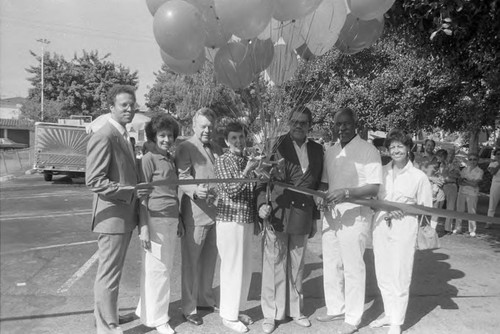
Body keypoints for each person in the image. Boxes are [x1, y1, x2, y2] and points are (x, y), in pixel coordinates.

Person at [86, 85, 153, 334]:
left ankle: (107, 316)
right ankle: (107, 327)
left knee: (113, 273)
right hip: (112, 217)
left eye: (132, 104)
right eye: (123, 105)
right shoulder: (104, 135)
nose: (129, 108)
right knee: (109, 275)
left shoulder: (124, 135)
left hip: (123, 216)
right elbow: (95, 181)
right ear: (111, 108)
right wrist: (131, 191)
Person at [256, 106, 324, 334]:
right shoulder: (274, 144)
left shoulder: (317, 150)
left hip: (303, 214)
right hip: (278, 212)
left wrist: (315, 218)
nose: (298, 125)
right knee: (273, 264)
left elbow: (314, 188)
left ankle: (296, 310)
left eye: (303, 122)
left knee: (297, 265)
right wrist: (261, 205)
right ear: (288, 121)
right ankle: (270, 314)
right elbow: (260, 181)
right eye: (294, 121)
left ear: (309, 126)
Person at [317, 107, 382, 334]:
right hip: (331, 214)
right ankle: (335, 307)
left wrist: (346, 193)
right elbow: (325, 183)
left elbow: (374, 186)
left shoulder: (368, 150)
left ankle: (353, 317)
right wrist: (321, 198)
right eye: (338, 124)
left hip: (356, 215)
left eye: (346, 123)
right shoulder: (331, 150)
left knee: (353, 266)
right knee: (331, 262)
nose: (341, 128)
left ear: (356, 124)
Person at [370, 129, 433, 334]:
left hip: (405, 227)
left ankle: (397, 321)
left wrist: (405, 211)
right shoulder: (381, 171)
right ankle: (389, 314)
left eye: (400, 146)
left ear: (408, 148)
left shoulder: (419, 176)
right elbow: (373, 201)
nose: (396, 150)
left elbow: (426, 209)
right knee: (383, 273)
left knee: (400, 273)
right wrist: (386, 207)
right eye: (392, 147)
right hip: (381, 224)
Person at [135, 114, 183, 334]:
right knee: (159, 270)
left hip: (171, 219)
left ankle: (145, 310)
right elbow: (141, 196)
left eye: (170, 135)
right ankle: (158, 319)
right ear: (153, 137)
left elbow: (173, 192)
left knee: (162, 268)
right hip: (155, 219)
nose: (166, 139)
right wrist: (143, 227)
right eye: (162, 135)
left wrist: (179, 219)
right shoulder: (148, 159)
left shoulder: (169, 159)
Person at [175, 107, 223, 326]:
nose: (207, 130)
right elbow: (182, 176)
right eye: (203, 126)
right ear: (194, 126)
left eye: (210, 126)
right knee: (191, 263)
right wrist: (195, 190)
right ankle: (189, 307)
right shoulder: (185, 147)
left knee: (209, 260)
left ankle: (205, 298)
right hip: (195, 213)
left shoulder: (217, 147)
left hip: (216, 213)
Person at [214, 121, 260, 333]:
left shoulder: (246, 159)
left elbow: (253, 191)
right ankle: (228, 315)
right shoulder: (223, 161)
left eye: (241, 137)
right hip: (230, 219)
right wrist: (249, 169)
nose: (238, 141)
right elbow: (232, 189)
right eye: (233, 138)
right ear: (226, 141)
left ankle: (238, 309)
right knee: (231, 267)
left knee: (245, 267)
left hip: (246, 218)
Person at [455, 153, 484, 237]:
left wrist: (465, 181)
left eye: (474, 159)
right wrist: (469, 182)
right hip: (462, 191)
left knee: (472, 211)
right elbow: (460, 182)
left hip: (472, 193)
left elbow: (475, 184)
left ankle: (472, 229)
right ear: (468, 160)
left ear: (477, 160)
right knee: (459, 210)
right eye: (470, 159)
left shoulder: (480, 171)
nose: (472, 161)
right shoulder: (464, 170)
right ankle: (458, 228)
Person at [439, 149, 461, 233]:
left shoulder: (456, 164)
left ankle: (447, 228)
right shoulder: (442, 164)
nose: (450, 156)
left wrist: (448, 175)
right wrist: (449, 174)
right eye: (449, 154)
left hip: (452, 186)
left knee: (450, 207)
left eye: (452, 154)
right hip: (443, 186)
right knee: (439, 205)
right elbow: (442, 175)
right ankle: (433, 224)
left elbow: (457, 175)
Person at [486, 148, 500, 228]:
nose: (499, 155)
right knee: (492, 204)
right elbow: (492, 172)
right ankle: (489, 222)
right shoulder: (493, 164)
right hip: (496, 184)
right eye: (498, 154)